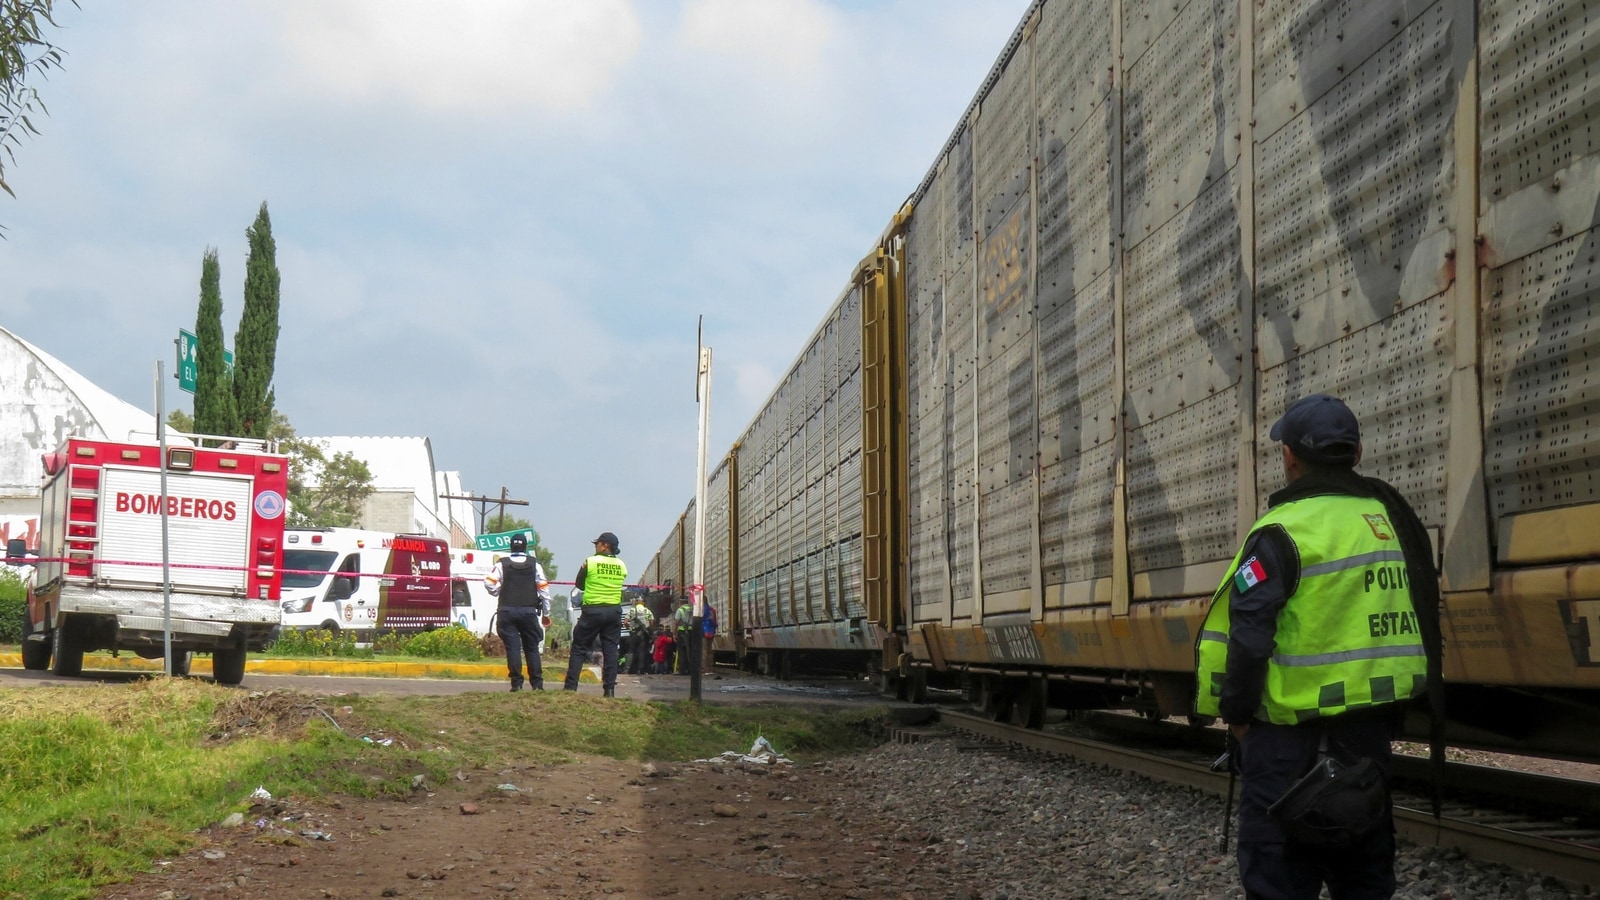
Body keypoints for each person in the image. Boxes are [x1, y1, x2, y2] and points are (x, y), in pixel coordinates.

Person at [1195, 395, 1441, 899]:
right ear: (1357, 453)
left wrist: (1237, 713)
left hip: (1286, 746)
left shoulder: (1281, 531)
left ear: (1288, 456)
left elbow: (1250, 634)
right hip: (1367, 741)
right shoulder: (1390, 520)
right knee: (1365, 882)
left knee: (1280, 882)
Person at [484, 534, 552, 692]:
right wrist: (547, 614)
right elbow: (544, 590)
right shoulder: (534, 564)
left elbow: (489, 582)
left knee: (513, 649)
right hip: (528, 611)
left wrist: (499, 590)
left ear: (511, 547)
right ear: (525, 547)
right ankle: (537, 685)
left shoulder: (502, 564)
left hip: (506, 611)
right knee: (532, 648)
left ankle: (516, 684)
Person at [563, 531, 628, 697]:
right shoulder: (621, 565)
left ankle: (571, 688)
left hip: (593, 610)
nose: (595, 547)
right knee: (610, 650)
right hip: (613, 611)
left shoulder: (590, 562)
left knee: (578, 647)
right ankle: (609, 691)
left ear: (605, 545)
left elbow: (580, 584)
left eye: (597, 544)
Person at [627, 595, 653, 675]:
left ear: (637, 602)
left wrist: (629, 628)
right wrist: (648, 630)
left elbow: (625, 622)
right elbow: (651, 622)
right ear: (643, 602)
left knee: (631, 651)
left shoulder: (632, 610)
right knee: (642, 651)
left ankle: (627, 669)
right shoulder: (647, 610)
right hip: (643, 634)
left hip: (634, 633)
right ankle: (640, 670)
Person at [672, 595, 693, 674]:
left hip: (682, 632)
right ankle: (691, 670)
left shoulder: (680, 610)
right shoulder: (692, 609)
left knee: (682, 651)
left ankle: (682, 670)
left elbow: (676, 623)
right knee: (691, 651)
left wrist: (674, 634)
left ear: (680, 602)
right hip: (691, 632)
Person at [700, 600, 719, 674]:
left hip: (704, 631)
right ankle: (710, 668)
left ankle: (704, 669)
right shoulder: (712, 609)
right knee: (710, 651)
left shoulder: (702, 609)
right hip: (711, 631)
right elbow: (715, 621)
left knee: (704, 651)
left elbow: (700, 620)